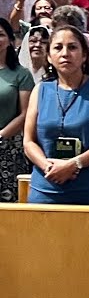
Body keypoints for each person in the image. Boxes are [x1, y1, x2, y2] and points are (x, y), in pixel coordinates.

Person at [23, 26, 89, 205]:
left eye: (72, 47)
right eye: (58, 47)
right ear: (49, 57)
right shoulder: (41, 90)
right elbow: (29, 141)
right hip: (47, 185)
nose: (65, 53)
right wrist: (49, 167)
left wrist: (73, 164)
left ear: (84, 56)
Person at [0, 19, 33, 202]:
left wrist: (2, 135)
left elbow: (25, 112)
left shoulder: (21, 74)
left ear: (10, 40)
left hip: (9, 147)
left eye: (1, 34)